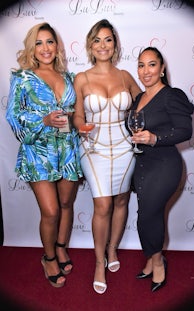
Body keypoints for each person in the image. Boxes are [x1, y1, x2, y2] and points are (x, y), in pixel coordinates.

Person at [6, 22, 83, 288]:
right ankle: (48, 257)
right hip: (38, 152)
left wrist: (78, 120)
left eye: (49, 41)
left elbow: (76, 111)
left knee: (65, 204)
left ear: (57, 46)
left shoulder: (70, 77)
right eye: (38, 43)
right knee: (50, 211)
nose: (45, 48)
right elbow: (13, 117)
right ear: (31, 48)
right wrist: (44, 121)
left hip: (68, 150)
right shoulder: (22, 78)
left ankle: (61, 246)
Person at [73, 19, 141, 294]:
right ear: (90, 45)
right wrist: (79, 125)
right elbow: (78, 114)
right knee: (103, 206)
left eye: (108, 39)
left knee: (122, 199)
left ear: (115, 44)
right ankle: (99, 262)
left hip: (126, 148)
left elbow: (145, 103)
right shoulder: (82, 78)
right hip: (94, 148)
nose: (103, 45)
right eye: (97, 40)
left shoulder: (125, 76)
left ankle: (113, 249)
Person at [130, 47, 194, 292]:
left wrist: (154, 138)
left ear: (162, 68)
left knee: (148, 215)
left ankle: (158, 263)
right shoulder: (139, 98)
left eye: (152, 64)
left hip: (165, 165)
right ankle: (151, 258)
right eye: (141, 65)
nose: (146, 71)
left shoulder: (171, 95)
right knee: (145, 215)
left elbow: (185, 131)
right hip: (143, 165)